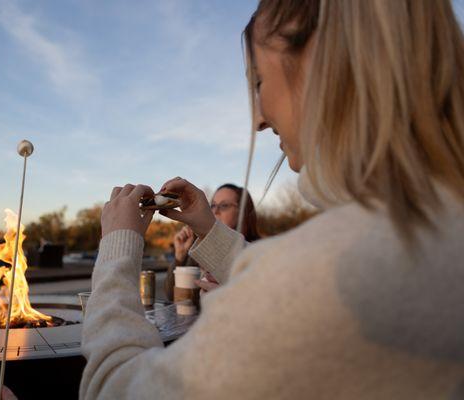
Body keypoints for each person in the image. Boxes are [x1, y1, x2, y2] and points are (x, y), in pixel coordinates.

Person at [81, 0, 464, 399]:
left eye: (259, 82)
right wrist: (207, 227)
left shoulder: (332, 271)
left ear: (326, 64)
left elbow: (117, 389)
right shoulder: (443, 222)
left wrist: (117, 247)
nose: (257, 120)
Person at [164, 183, 259, 300]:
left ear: (243, 212)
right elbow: (171, 296)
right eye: (213, 205)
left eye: (224, 205)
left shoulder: (259, 253)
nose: (215, 211)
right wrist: (179, 257)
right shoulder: (197, 249)